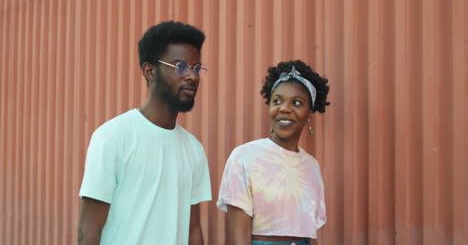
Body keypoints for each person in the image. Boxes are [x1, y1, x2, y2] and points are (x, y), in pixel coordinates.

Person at [77, 21, 212, 245]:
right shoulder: (113, 137)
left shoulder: (194, 150)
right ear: (150, 71)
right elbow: (88, 231)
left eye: (196, 68)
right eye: (180, 67)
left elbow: (193, 230)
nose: (192, 76)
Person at [217, 60, 330, 245]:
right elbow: (239, 238)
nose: (284, 108)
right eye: (277, 101)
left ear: (309, 112)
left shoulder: (311, 166)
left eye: (297, 102)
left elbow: (310, 235)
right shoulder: (244, 158)